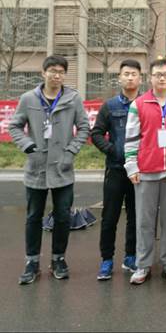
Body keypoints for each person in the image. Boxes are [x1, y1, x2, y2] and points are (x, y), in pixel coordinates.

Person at [9, 55, 90, 284]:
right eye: (53, 71)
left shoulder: (73, 98)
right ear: (43, 73)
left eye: (61, 72)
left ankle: (58, 259)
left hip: (63, 168)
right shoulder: (28, 99)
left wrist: (70, 152)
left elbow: (84, 127)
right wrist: (27, 146)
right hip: (36, 167)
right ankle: (32, 262)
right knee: (33, 216)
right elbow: (15, 126)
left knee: (63, 216)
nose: (57, 75)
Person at [124, 58, 166, 285]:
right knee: (144, 222)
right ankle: (143, 264)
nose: (161, 78)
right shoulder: (138, 104)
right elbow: (131, 138)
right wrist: (131, 166)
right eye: (157, 74)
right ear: (150, 78)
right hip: (146, 171)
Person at [91, 59, 142, 281]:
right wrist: (112, 150)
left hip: (139, 171)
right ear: (119, 78)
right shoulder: (110, 106)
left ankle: (131, 256)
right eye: (126, 74)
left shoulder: (145, 104)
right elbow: (96, 133)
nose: (130, 78)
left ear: (140, 78)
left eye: (134, 74)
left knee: (135, 216)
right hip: (115, 169)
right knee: (110, 216)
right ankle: (106, 260)